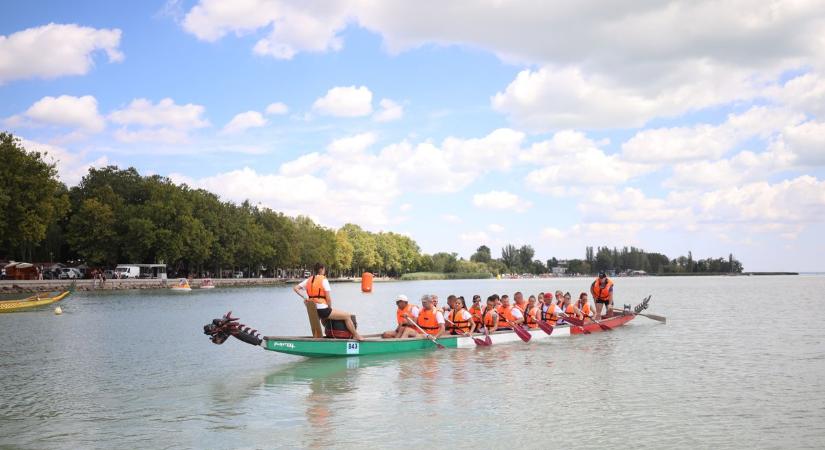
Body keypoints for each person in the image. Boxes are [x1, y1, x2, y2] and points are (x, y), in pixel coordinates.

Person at [294, 263, 363, 341]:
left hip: (313, 310)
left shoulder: (308, 280)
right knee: (347, 316)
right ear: (321, 269)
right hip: (322, 310)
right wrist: (329, 308)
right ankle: (356, 335)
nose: (324, 271)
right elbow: (328, 299)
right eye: (324, 269)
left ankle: (328, 335)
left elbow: (296, 288)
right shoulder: (324, 280)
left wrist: (305, 297)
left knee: (326, 317)